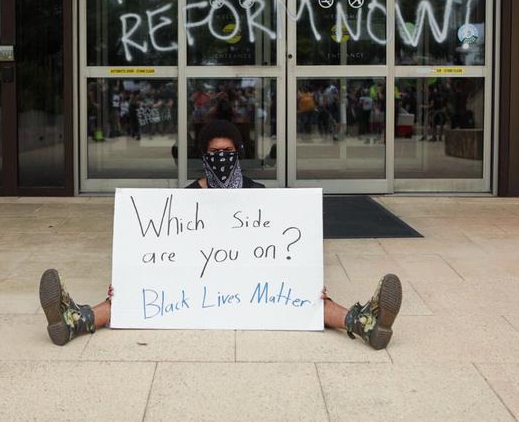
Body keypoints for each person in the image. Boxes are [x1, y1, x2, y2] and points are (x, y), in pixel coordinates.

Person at [39, 119, 403, 350]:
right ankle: (74, 320)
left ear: (239, 154)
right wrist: (131, 279)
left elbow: (282, 251)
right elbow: (163, 250)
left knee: (308, 302)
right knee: (130, 301)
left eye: (228, 152)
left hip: (253, 286)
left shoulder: (259, 195)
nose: (222, 158)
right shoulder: (185, 200)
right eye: (215, 152)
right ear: (204, 156)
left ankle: (364, 323)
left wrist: (305, 279)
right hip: (192, 286)